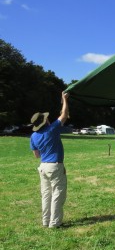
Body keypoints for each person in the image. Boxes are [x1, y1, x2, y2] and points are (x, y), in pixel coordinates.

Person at [30, 91, 70, 228]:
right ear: (45, 121)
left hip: (43, 167)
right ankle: (55, 223)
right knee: (58, 195)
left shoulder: (33, 136)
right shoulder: (52, 129)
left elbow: (36, 155)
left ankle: (45, 221)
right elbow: (64, 115)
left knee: (46, 196)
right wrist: (65, 99)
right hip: (54, 166)